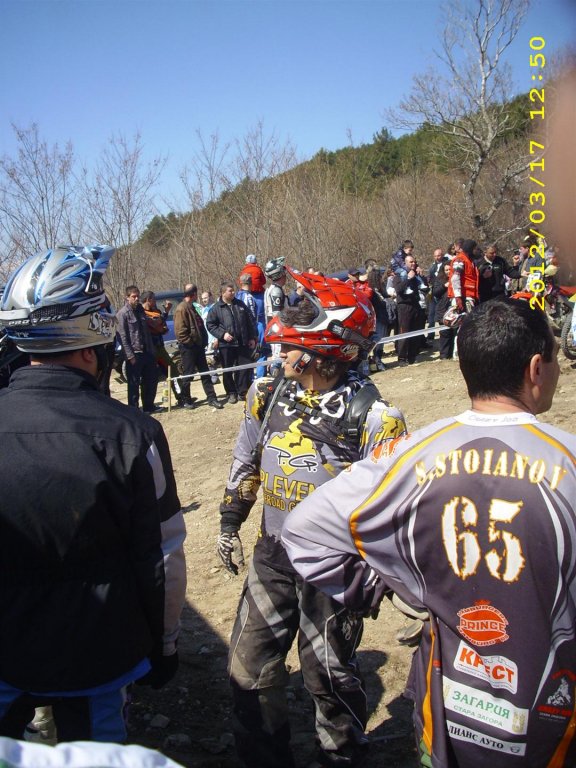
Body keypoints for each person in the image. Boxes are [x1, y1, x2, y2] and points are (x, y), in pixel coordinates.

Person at [283, 298, 575, 768]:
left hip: (447, 705)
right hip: (549, 712)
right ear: (536, 368)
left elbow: (303, 529)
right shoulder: (568, 460)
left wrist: (392, 586)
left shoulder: (412, 453)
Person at [217, 269, 407, 768]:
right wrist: (230, 520)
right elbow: (247, 459)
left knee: (329, 676)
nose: (278, 354)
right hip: (273, 555)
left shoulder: (375, 416)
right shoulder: (267, 393)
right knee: (247, 668)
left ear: (321, 350)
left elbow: (391, 506)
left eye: (288, 345)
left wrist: (388, 578)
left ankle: (341, 757)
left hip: (334, 569)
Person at [0, 244, 186, 742]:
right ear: (90, 348)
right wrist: (166, 645)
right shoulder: (134, 432)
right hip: (99, 656)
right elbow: (163, 556)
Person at [206, 280, 258, 403]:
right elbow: (210, 325)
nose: (233, 292)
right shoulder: (216, 308)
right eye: (230, 291)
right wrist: (222, 334)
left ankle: (242, 391)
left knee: (243, 368)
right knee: (227, 370)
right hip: (226, 345)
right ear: (223, 293)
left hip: (242, 342)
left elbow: (250, 321)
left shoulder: (240, 304)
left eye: (233, 290)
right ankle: (231, 393)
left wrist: (252, 337)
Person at [173, 284, 223, 410]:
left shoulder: (192, 307)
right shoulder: (181, 308)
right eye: (197, 294)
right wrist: (191, 343)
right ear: (194, 294)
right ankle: (185, 399)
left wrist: (201, 342)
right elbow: (180, 332)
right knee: (188, 375)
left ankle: (212, 398)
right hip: (188, 348)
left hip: (198, 347)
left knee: (205, 373)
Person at [116, 284, 159, 413]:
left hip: (147, 351)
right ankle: (134, 410)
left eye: (137, 296)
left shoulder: (140, 310)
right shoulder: (122, 314)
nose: (136, 299)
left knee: (150, 381)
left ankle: (149, 406)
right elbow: (122, 337)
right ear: (127, 297)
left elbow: (148, 328)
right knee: (133, 384)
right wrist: (130, 356)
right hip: (134, 354)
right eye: (134, 296)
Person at [141, 290, 184, 406]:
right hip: (149, 349)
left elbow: (162, 327)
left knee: (173, 371)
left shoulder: (157, 311)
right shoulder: (142, 313)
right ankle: (148, 405)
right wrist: (164, 314)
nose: (155, 302)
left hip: (160, 347)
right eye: (153, 299)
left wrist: (161, 325)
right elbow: (154, 324)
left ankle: (181, 397)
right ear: (148, 300)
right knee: (150, 377)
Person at [393, 254, 427, 365]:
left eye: (414, 262)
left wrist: (421, 276)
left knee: (415, 332)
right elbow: (399, 289)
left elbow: (425, 288)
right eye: (411, 262)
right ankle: (402, 358)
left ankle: (412, 356)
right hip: (404, 306)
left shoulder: (416, 274)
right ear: (405, 263)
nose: (413, 264)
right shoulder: (399, 275)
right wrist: (408, 278)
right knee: (404, 333)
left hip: (416, 305)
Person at [447, 239, 479, 317]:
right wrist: (458, 297)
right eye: (475, 249)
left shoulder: (470, 261)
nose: (476, 251)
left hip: (468, 296)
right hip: (462, 297)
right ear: (470, 249)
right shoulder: (460, 260)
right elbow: (455, 278)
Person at [200, 289, 220, 386]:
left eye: (206, 298)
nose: (204, 300)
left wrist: (217, 338)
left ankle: (214, 377)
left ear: (211, 297)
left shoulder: (215, 308)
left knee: (212, 358)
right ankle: (214, 376)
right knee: (209, 358)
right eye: (202, 298)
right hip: (207, 338)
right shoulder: (204, 310)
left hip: (214, 337)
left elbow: (218, 324)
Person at [241, 254, 267, 325]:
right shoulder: (258, 269)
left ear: (247, 262)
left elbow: (241, 282)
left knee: (249, 316)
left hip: (247, 295)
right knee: (260, 317)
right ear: (255, 262)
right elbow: (264, 281)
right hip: (259, 295)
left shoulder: (244, 271)